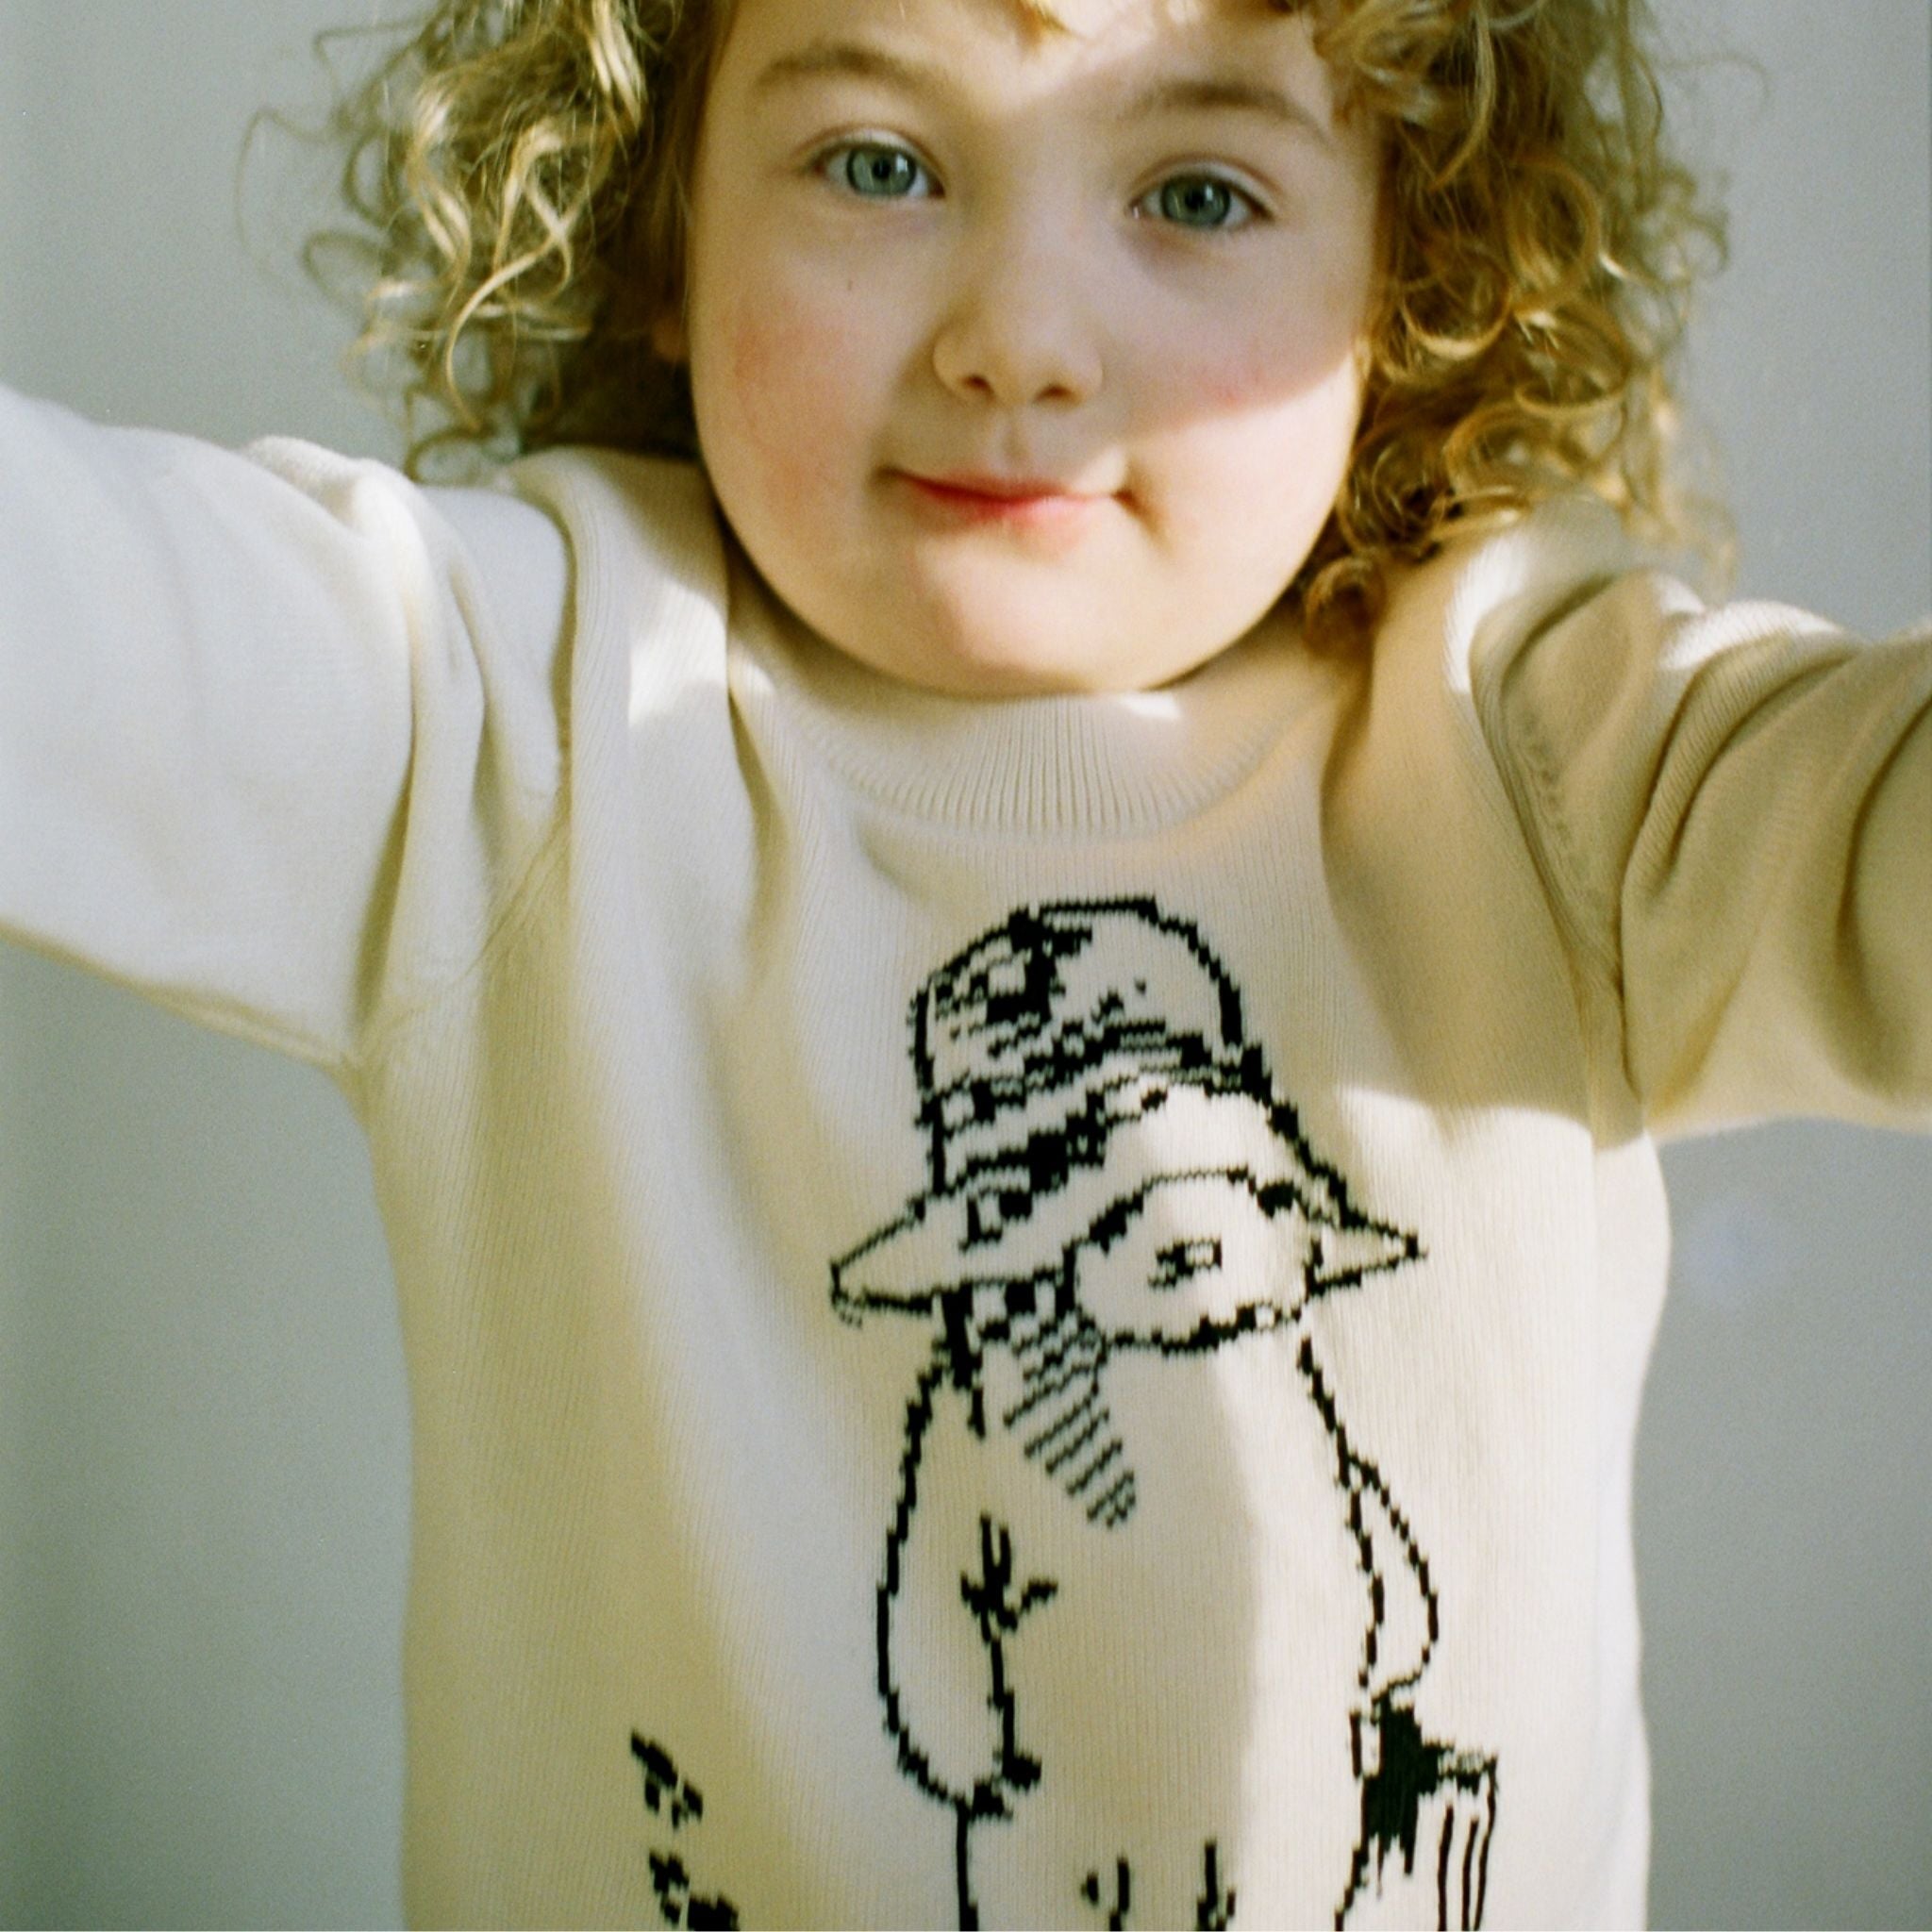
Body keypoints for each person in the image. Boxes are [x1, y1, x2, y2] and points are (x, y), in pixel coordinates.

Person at [1, 0, 1925, 1924]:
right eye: (878, 164)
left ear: (1403, 280)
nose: (1017, 338)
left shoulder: (1551, 759)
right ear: (665, 221)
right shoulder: (514, 714)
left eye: (1195, 190)